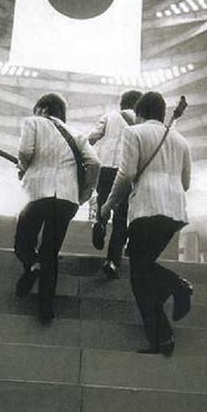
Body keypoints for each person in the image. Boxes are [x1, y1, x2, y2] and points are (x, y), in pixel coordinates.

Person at [100, 91, 192, 356]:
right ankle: (165, 324)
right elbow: (186, 184)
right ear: (162, 114)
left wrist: (106, 208)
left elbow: (126, 175)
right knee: (144, 268)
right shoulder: (181, 140)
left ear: (139, 114)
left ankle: (175, 291)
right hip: (174, 212)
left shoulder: (135, 133)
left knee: (139, 278)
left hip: (147, 208)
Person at [15, 93, 100, 322]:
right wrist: (84, 193)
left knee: (23, 242)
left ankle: (32, 266)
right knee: (50, 252)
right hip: (66, 199)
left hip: (38, 193)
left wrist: (23, 169)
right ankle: (46, 310)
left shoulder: (32, 122)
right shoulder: (77, 135)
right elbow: (94, 163)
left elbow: (25, 152)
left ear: (42, 108)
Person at [88, 89, 142, 279]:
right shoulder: (141, 122)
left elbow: (91, 138)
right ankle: (112, 261)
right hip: (126, 171)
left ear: (121, 104)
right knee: (121, 218)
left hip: (105, 169)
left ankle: (100, 223)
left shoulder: (109, 116)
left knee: (104, 203)